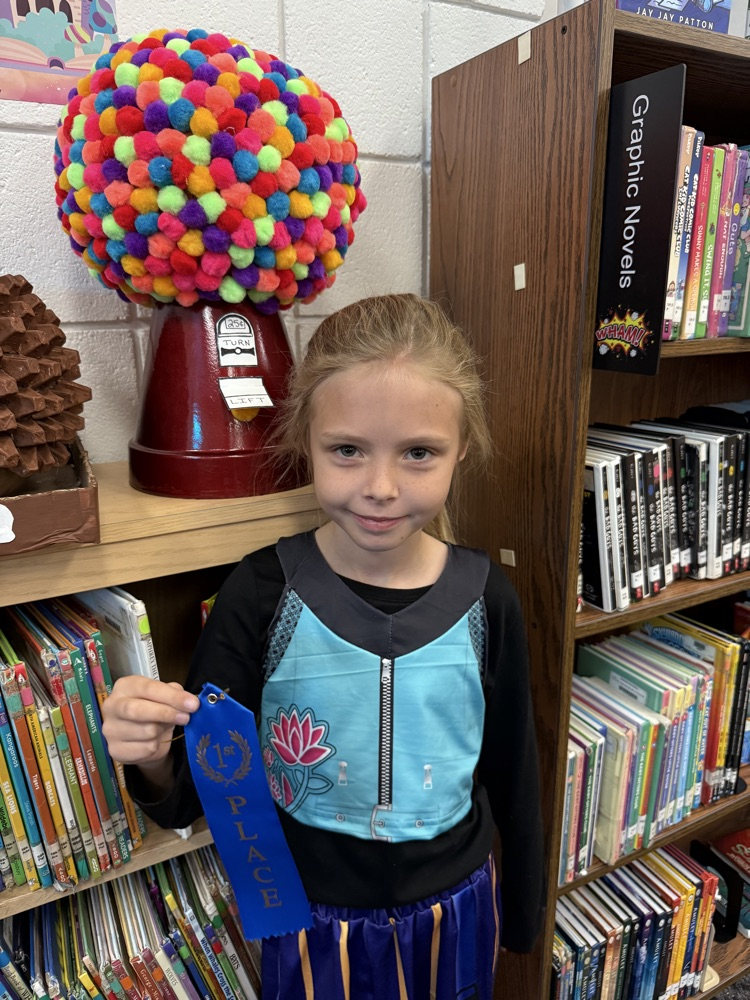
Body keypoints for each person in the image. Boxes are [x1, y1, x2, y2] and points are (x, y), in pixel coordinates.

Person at [102, 293, 545, 1000]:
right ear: (305, 439)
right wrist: (152, 756)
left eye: (419, 453)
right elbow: (193, 795)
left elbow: (516, 775)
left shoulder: (488, 596)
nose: (380, 487)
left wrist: (524, 921)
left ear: (462, 447)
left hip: (456, 911)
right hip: (307, 920)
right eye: (347, 450)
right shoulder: (259, 593)